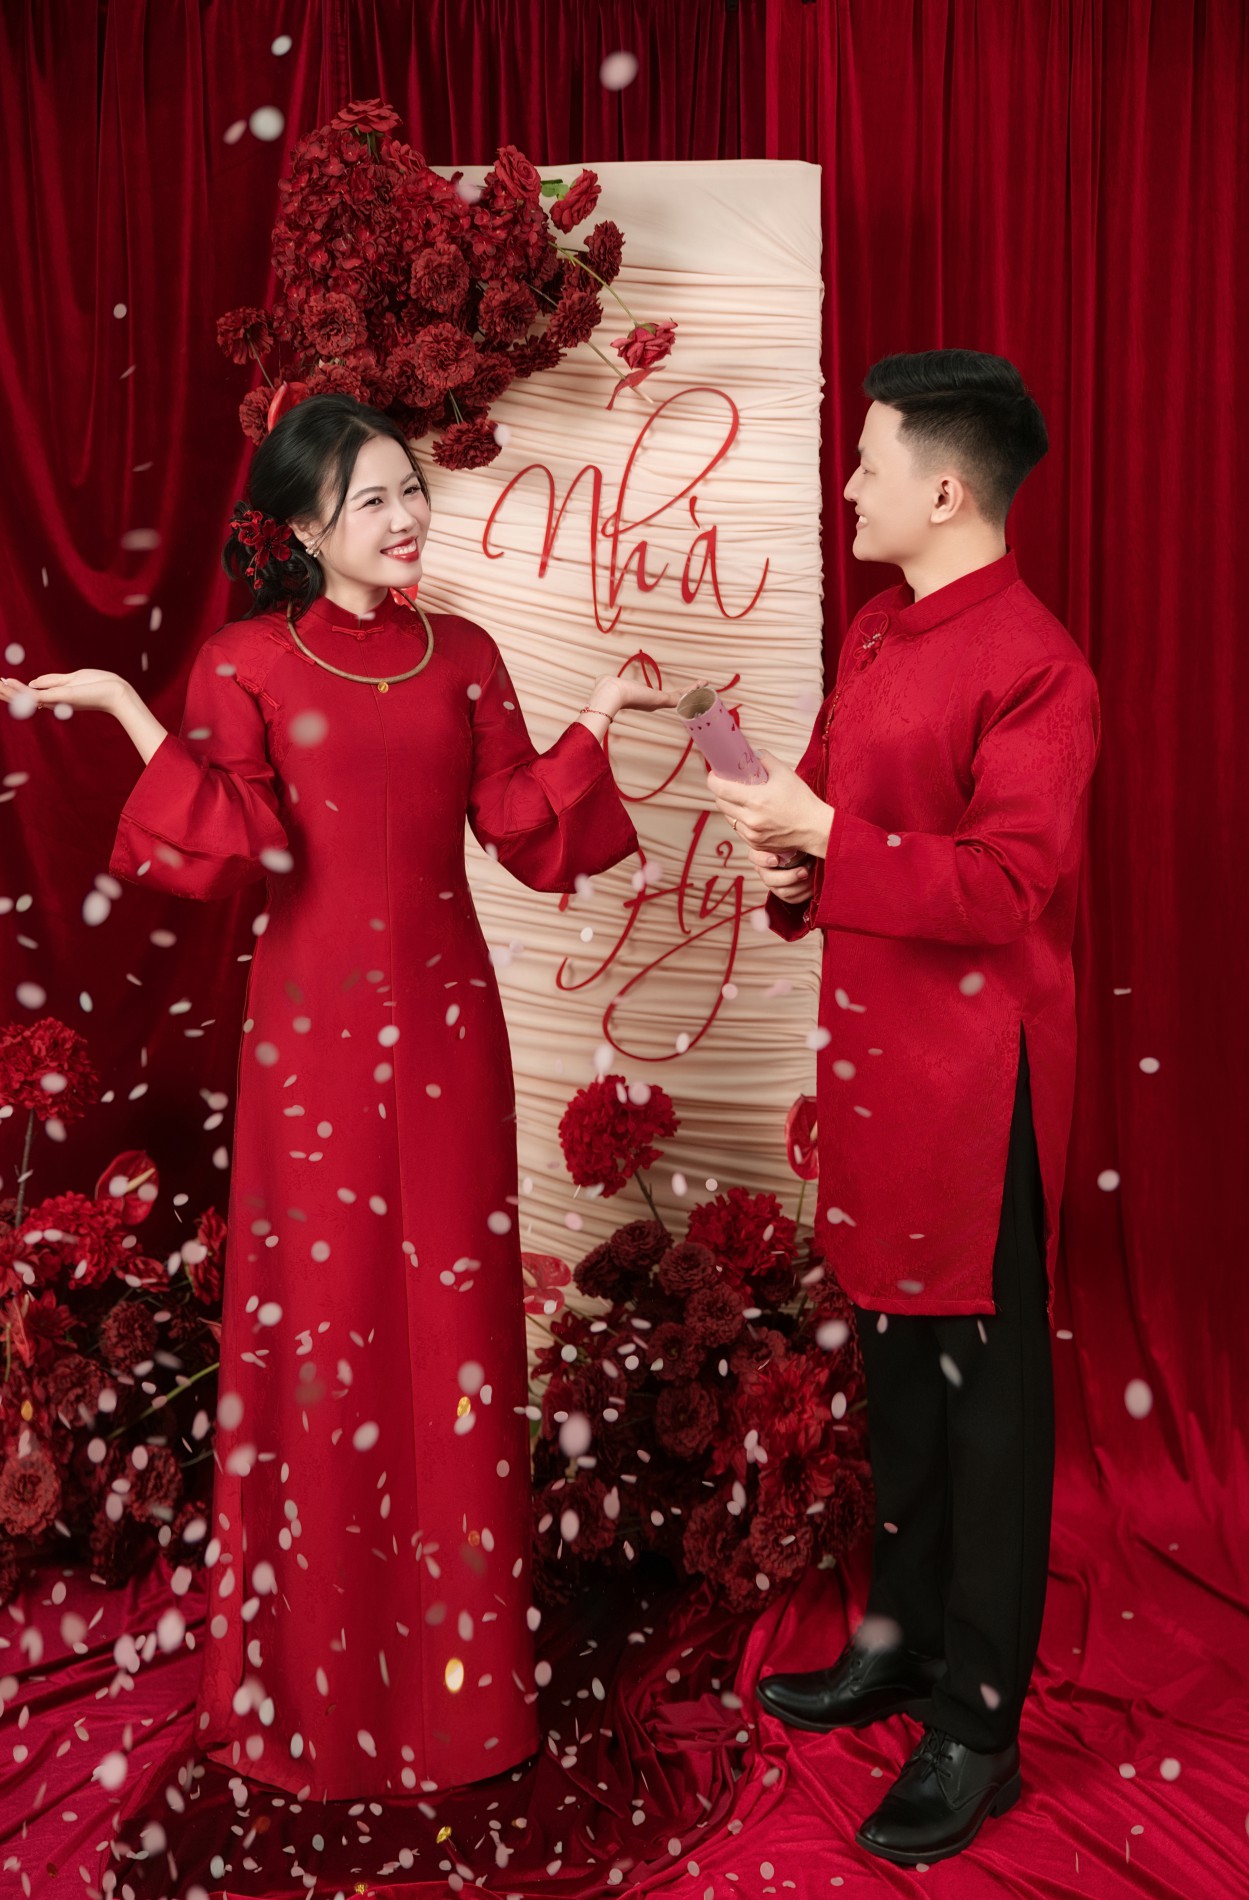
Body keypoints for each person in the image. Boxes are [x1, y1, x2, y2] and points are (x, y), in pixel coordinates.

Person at [0, 392, 674, 1799]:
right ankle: (314, 1681)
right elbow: (232, 837)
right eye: (373, 498)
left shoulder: (464, 653)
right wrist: (128, 707)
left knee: (456, 1329)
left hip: (451, 1030)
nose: (407, 515)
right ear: (306, 526)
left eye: (410, 488)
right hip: (307, 1033)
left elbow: (518, 826)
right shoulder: (246, 661)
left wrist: (598, 717)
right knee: (321, 1326)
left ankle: (462, 1699)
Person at [704, 350, 1100, 1866]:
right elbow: (837, 817)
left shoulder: (1040, 667)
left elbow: (1005, 886)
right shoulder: (877, 629)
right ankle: (900, 1640)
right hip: (873, 1069)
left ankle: (979, 1725)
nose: (849, 484)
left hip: (977, 1085)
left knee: (985, 1407)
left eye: (867, 462)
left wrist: (827, 834)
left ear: (943, 488)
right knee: (895, 1372)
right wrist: (792, 855)